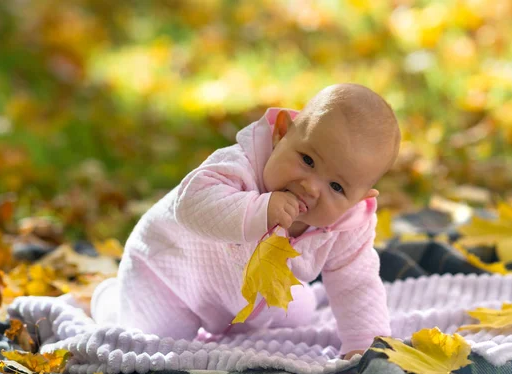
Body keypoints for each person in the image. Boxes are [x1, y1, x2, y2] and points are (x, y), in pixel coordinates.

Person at [91, 83, 401, 359]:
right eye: (307, 160)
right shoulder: (240, 164)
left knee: (302, 311)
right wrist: (258, 210)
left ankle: (241, 319)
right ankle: (110, 300)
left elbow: (357, 282)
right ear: (282, 133)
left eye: (337, 187)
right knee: (158, 345)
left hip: (245, 299)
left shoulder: (346, 225)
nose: (311, 186)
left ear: (360, 198)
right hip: (168, 274)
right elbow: (190, 206)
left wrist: (365, 343)